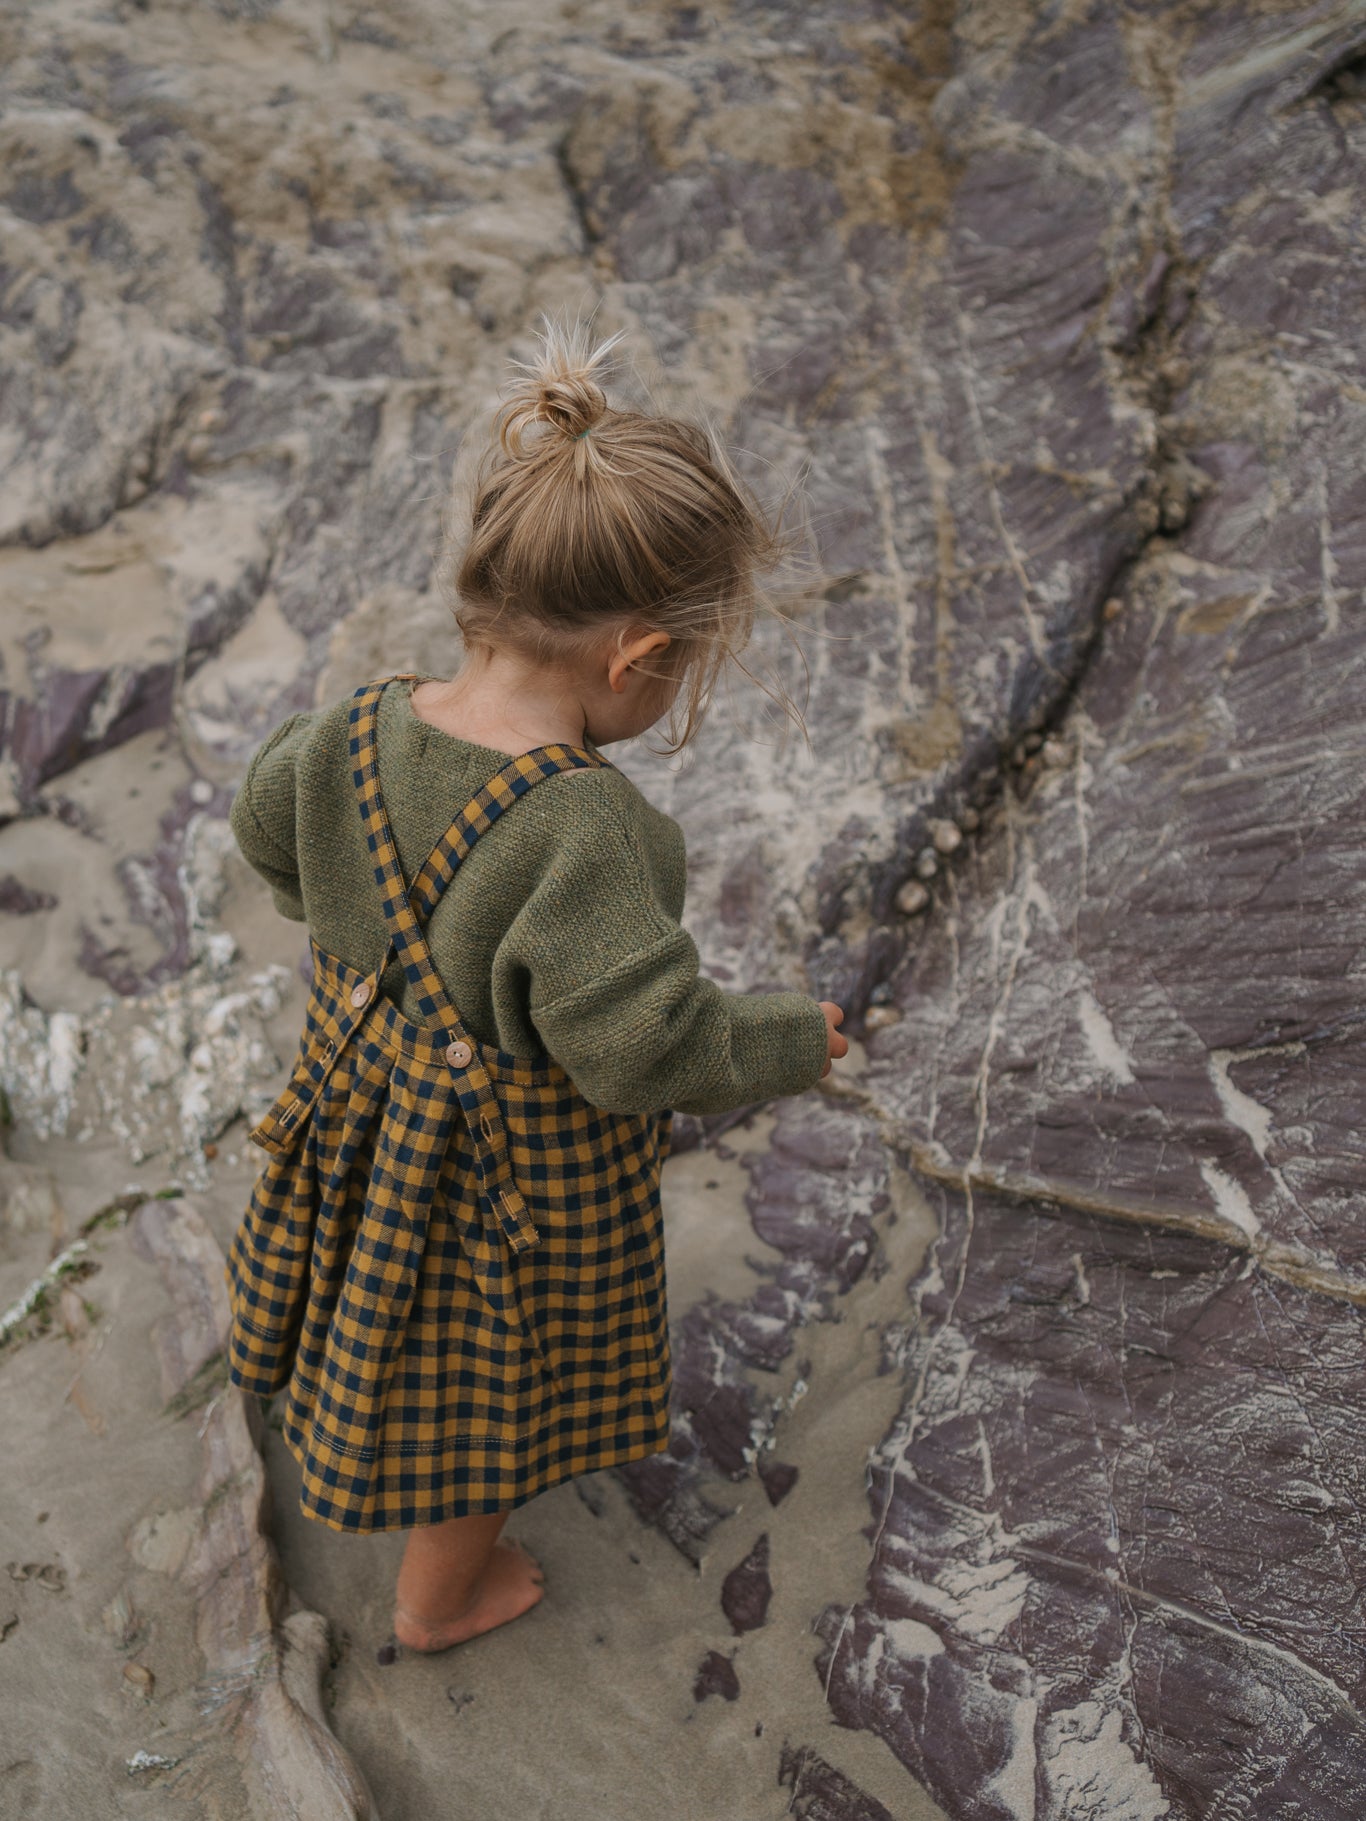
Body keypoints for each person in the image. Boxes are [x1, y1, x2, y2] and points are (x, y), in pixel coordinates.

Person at [225, 322, 849, 1654]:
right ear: (634, 657)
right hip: (501, 1181)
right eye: (678, 668)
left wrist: (339, 934)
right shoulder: (589, 830)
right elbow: (642, 1045)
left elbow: (262, 825)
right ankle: (440, 1596)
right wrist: (790, 1039)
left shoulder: (339, 729)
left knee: (353, 1276)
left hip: (352, 1102)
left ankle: (331, 1419)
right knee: (482, 1383)